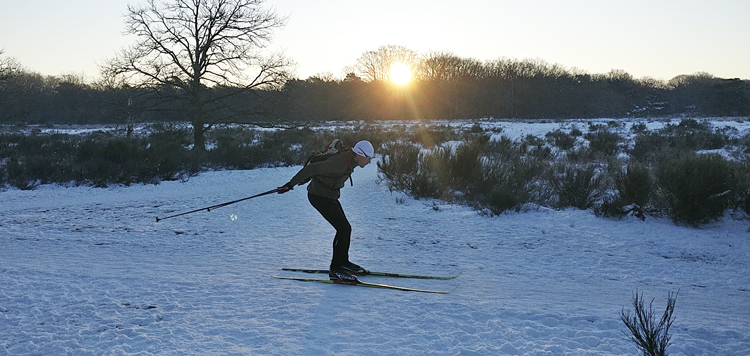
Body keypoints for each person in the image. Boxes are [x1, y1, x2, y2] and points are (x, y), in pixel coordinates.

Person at [277, 140, 375, 282]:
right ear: (360, 154)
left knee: (345, 229)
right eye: (368, 158)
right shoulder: (339, 162)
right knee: (343, 229)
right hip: (319, 196)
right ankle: (336, 269)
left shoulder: (350, 160)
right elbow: (312, 169)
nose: (369, 162)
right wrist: (289, 184)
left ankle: (343, 263)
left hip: (329, 196)